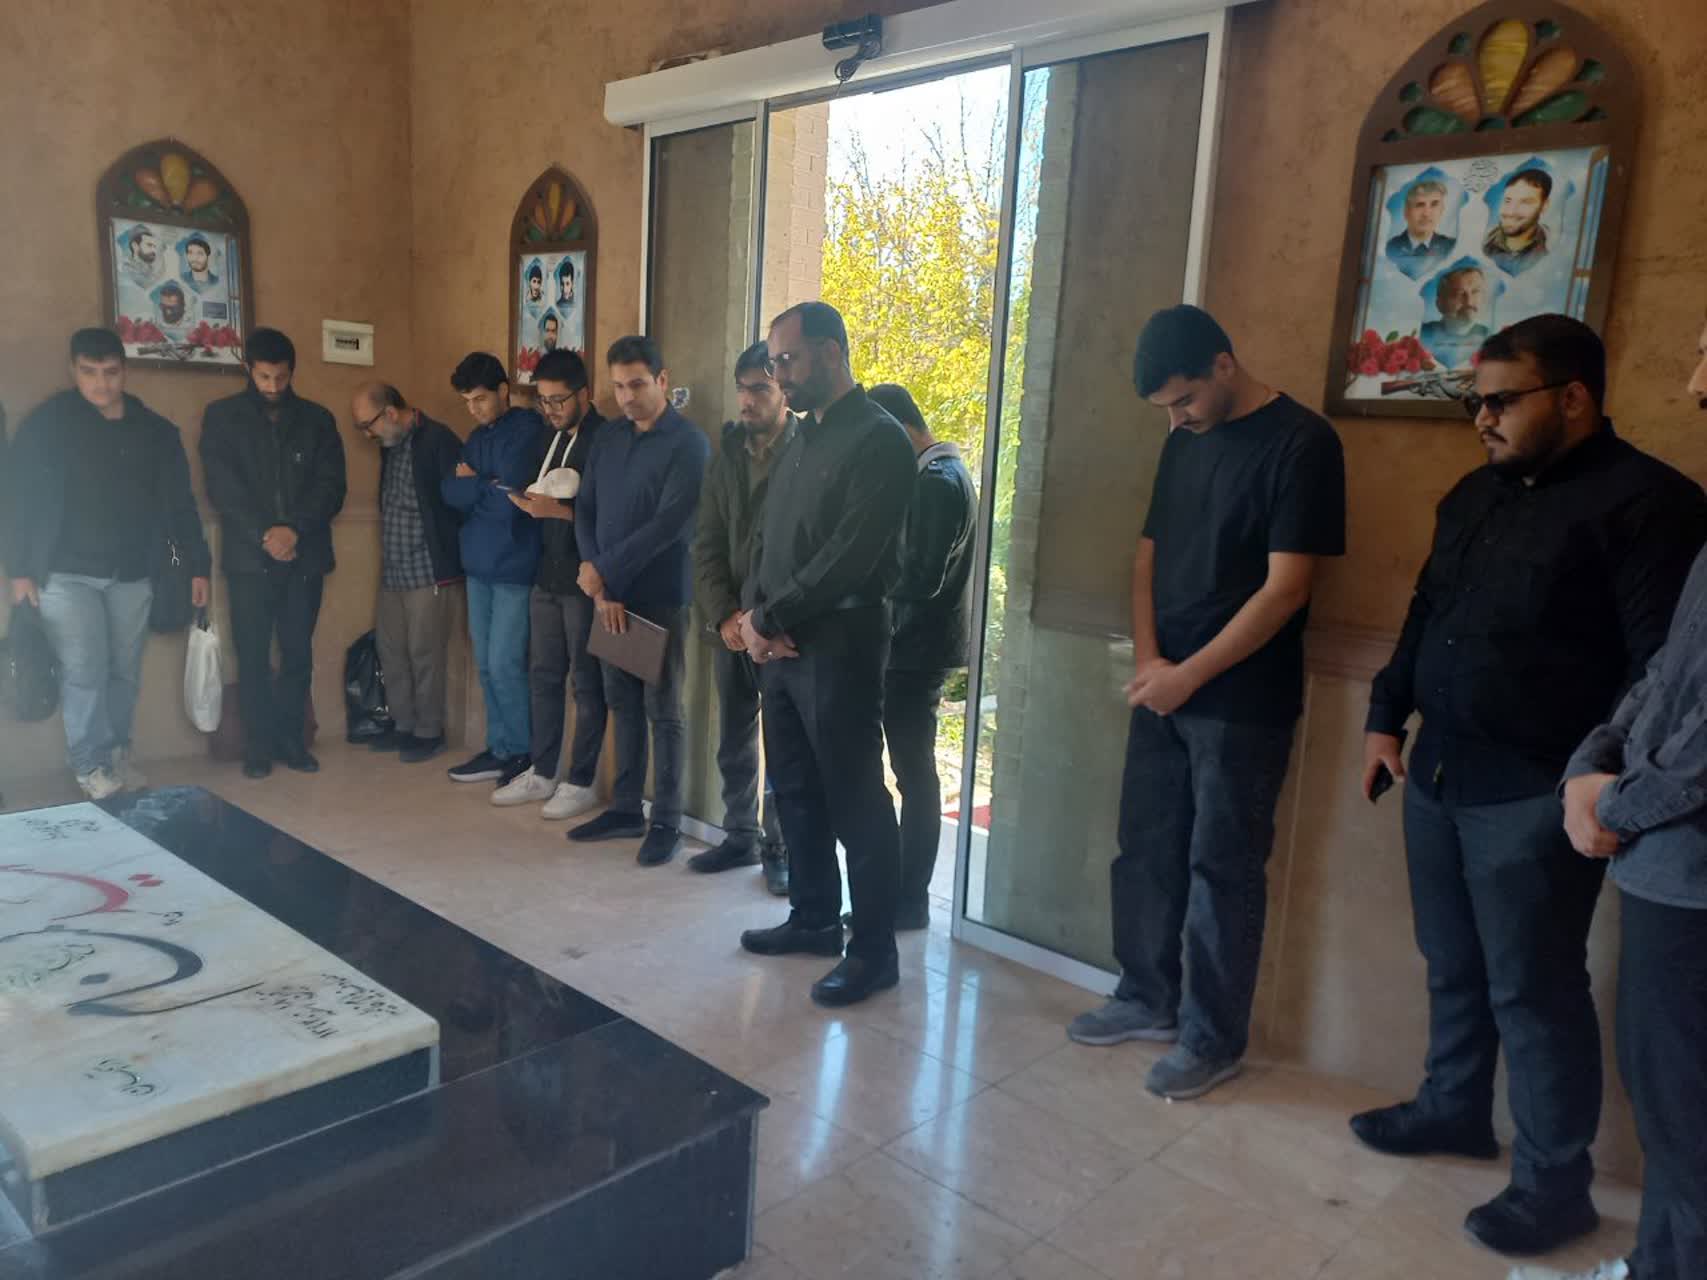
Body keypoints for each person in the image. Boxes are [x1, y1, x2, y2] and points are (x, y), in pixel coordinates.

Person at [1354, 314, 1707, 1258]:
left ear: (1573, 397)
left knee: (1534, 988)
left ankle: (1554, 1187)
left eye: (1501, 401)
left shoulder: (1651, 504)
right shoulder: (1473, 493)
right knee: (1450, 962)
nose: (1481, 418)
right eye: (1475, 402)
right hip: (1438, 769)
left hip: (1537, 792)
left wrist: (1598, 783)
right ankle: (1453, 1106)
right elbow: (1426, 609)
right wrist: (1385, 714)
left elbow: (1657, 670)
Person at [1066, 305, 1346, 1101]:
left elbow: (1286, 588)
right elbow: (1145, 559)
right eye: (1165, 409)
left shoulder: (1302, 443)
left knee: (1222, 870)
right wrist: (1149, 660)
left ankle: (1211, 1039)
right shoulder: (1182, 440)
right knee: (1144, 848)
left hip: (1241, 701)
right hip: (1163, 683)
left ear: (1224, 365)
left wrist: (1187, 676)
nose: (1177, 419)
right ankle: (1145, 996)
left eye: (1184, 400)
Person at [1520, 318, 1707, 1280]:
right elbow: (1667, 674)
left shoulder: (1654, 500)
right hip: (1660, 861)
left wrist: (1610, 804)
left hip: (1691, 875)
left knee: (1685, 1112)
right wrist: (1590, 766)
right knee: (1666, 1097)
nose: (1693, 380)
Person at [736, 301, 917, 1008]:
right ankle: (812, 917)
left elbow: (849, 557)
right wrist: (751, 619)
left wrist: (769, 617)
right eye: (773, 362)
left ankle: (873, 952)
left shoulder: (879, 439)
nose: (779, 375)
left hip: (840, 643)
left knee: (855, 798)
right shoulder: (802, 438)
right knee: (796, 789)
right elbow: (768, 537)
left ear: (832, 353)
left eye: (787, 360)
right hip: (781, 646)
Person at [5, 328, 209, 798]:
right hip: (63, 573)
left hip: (132, 572)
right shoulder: (47, 424)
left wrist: (197, 565)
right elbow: (16, 500)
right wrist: (19, 570)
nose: (101, 383)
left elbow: (181, 506)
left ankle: (117, 754)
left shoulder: (155, 432)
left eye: (111, 372)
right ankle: (90, 764)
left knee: (124, 671)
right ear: (73, 370)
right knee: (83, 669)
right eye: (89, 372)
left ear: (125, 371)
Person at [568, 336, 709, 867]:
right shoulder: (608, 437)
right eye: (619, 387)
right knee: (621, 702)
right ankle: (626, 808)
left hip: (658, 597)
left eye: (637, 385)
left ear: (663, 381)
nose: (627, 397)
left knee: (662, 711)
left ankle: (666, 821)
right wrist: (598, 579)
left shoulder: (688, 443)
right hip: (608, 596)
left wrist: (604, 572)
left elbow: (670, 526)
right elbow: (585, 507)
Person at [201, 327, 347, 778]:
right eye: (264, 377)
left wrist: (293, 531)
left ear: (291, 372)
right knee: (252, 655)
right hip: (250, 559)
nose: (272, 386)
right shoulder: (222, 417)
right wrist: (265, 535)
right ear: (249, 369)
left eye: (281, 377)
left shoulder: (317, 420)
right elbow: (223, 488)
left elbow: (331, 486)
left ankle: (292, 742)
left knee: (297, 654)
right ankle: (258, 747)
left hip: (304, 557)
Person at [867, 382, 975, 932]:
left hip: (915, 650)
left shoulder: (936, 483)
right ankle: (903, 894)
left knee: (914, 774)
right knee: (913, 771)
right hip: (918, 646)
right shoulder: (943, 474)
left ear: (897, 428)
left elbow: (920, 577)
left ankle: (909, 899)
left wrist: (863, 582)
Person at [689, 341, 794, 896]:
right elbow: (705, 542)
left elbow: (807, 551)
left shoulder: (805, 451)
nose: (747, 400)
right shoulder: (726, 454)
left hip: (780, 629)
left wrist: (765, 620)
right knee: (733, 735)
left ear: (784, 392)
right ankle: (740, 835)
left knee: (785, 745)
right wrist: (725, 617)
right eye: (742, 389)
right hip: (729, 626)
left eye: (760, 388)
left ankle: (782, 847)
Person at [490, 348, 608, 820]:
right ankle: (542, 771)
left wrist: (556, 510)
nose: (551, 410)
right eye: (543, 401)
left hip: (584, 575)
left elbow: (609, 513)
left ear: (585, 394)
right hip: (547, 570)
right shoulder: (549, 436)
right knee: (542, 674)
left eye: (558, 400)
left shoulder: (603, 440)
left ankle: (581, 780)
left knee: (586, 681)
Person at [442, 352, 547, 788]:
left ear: (504, 391)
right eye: (468, 401)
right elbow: (451, 492)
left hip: (513, 565)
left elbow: (512, 500)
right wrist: (482, 485)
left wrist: (476, 484)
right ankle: (499, 747)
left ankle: (521, 752)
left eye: (481, 399)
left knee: (505, 663)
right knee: (485, 663)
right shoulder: (476, 436)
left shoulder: (528, 430)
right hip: (478, 564)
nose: (474, 409)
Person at [353, 381, 464, 764]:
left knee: (424, 652)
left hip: (428, 568)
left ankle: (429, 732)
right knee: (392, 650)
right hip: (394, 568)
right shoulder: (391, 443)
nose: (366, 435)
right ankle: (402, 725)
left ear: (390, 413)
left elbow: (458, 501)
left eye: (367, 425)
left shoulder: (438, 439)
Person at [1420, 264, 1492, 370]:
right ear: (1440, 304)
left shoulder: (1491, 337)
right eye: (1459, 293)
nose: (1469, 301)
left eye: (1475, 292)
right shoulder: (1422, 335)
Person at [1485, 169, 1552, 275]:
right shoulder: (1485, 244)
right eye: (1508, 201)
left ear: (1544, 206)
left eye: (1525, 202)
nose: (1511, 212)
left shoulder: (1552, 248)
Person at [1386, 179, 1456, 279]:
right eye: (1419, 205)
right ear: (1406, 212)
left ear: (1441, 210)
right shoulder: (1390, 248)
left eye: (1434, 204)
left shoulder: (1451, 247)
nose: (1426, 214)